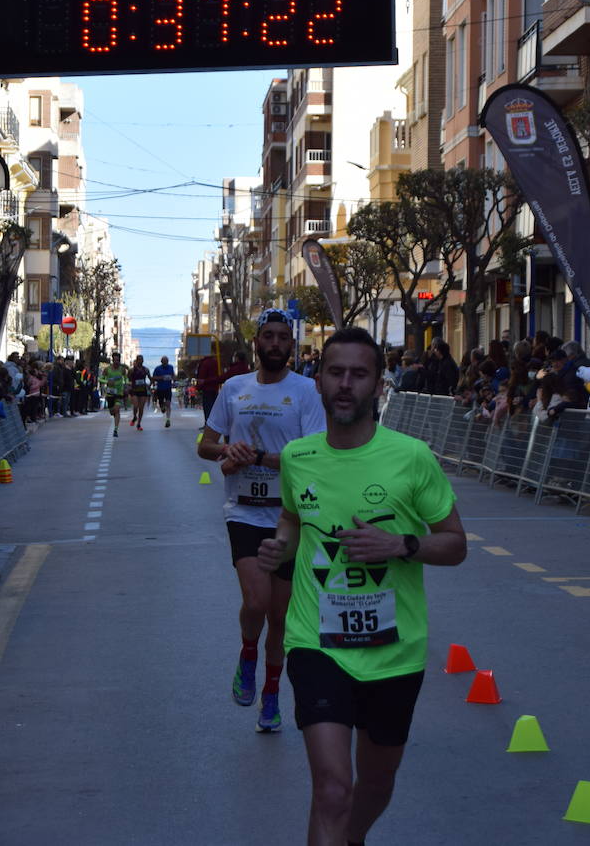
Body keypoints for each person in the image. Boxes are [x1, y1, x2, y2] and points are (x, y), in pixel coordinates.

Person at [257, 326, 467, 846]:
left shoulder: (412, 457)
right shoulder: (297, 457)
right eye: (335, 372)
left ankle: (351, 838)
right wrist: (280, 544)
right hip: (316, 643)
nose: (346, 384)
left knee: (377, 782)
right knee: (332, 788)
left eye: (359, 374)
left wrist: (401, 546)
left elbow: (456, 544)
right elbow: (291, 517)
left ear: (378, 385)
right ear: (318, 381)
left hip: (395, 651)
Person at [198, 309, 326, 733]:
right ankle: (247, 654)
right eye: (267, 336)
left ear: (292, 345)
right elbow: (206, 444)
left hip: (290, 515)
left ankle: (271, 696)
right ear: (256, 342)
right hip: (245, 513)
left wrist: (256, 457)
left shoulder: (307, 391)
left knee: (281, 617)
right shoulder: (234, 388)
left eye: (282, 338)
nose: (274, 344)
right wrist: (227, 453)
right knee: (256, 602)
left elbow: (312, 458)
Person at [99, 352, 129, 437]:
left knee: (117, 410)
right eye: (115, 360)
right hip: (110, 393)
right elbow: (100, 379)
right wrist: (107, 381)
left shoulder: (122, 369)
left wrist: (126, 386)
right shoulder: (107, 369)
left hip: (119, 393)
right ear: (112, 360)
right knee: (112, 411)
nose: (116, 362)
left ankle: (116, 429)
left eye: (118, 360)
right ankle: (112, 412)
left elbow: (126, 379)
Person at [197, 352, 224, 422]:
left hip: (207, 388)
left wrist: (199, 387)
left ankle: (208, 423)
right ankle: (213, 423)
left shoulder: (204, 363)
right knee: (213, 407)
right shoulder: (216, 362)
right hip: (215, 388)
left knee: (207, 407)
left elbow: (201, 377)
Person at [128, 354, 151, 431]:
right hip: (134, 390)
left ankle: (139, 424)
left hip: (143, 390)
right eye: (139, 360)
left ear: (143, 361)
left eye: (141, 360)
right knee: (135, 406)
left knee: (141, 408)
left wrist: (149, 385)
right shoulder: (131, 370)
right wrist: (129, 386)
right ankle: (135, 416)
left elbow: (150, 378)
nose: (140, 361)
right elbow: (129, 379)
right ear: (136, 360)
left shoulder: (146, 370)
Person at [152, 355, 176, 427]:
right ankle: (162, 407)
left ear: (168, 361)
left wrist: (173, 379)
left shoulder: (171, 367)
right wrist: (161, 378)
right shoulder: (157, 368)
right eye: (164, 361)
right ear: (161, 361)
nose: (165, 362)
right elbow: (153, 377)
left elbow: (173, 376)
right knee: (161, 405)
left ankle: (168, 419)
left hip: (168, 388)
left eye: (166, 361)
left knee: (168, 404)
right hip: (160, 389)